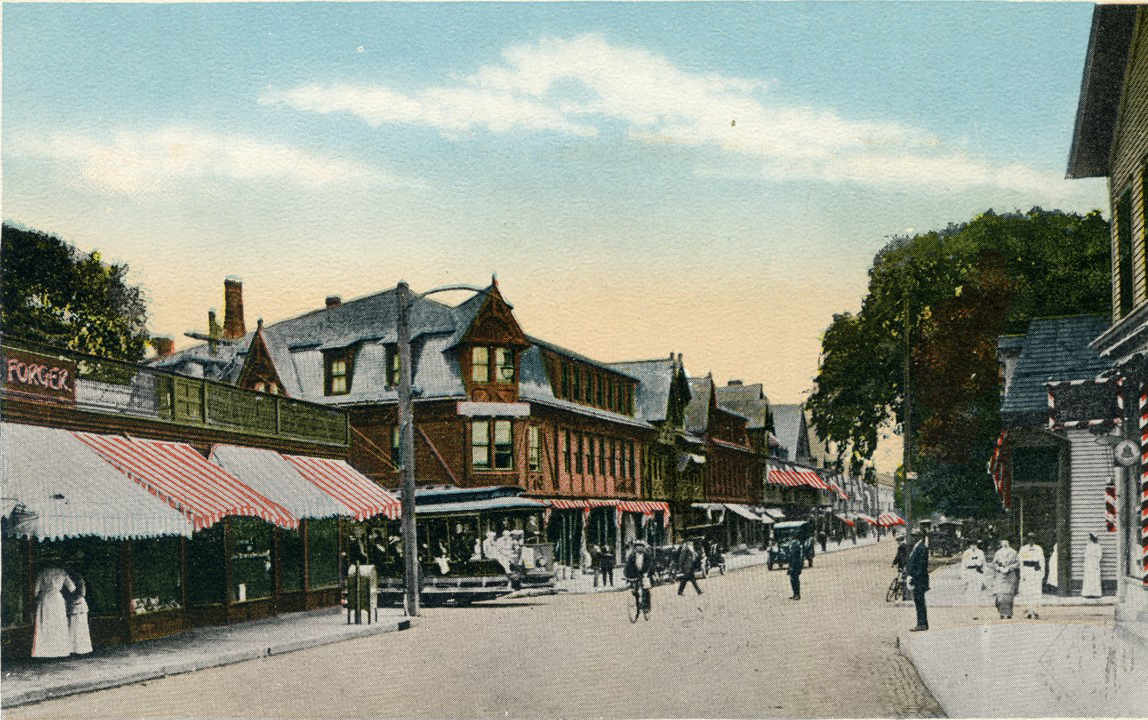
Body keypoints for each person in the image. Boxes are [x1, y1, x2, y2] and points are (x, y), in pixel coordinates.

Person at [31, 564, 75, 658]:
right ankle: (60, 650)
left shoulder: (43, 573)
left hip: (45, 599)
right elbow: (72, 588)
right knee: (58, 623)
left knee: (46, 623)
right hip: (57, 599)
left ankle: (46, 651)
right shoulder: (62, 572)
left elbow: (35, 591)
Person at [66, 555, 92, 656]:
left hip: (78, 604)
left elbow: (82, 593)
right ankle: (74, 648)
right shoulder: (71, 578)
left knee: (79, 627)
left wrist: (72, 599)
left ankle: (80, 649)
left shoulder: (78, 578)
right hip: (73, 604)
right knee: (73, 627)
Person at [905, 528, 930, 631]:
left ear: (919, 536)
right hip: (917, 579)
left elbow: (921, 566)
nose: (913, 538)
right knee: (918, 601)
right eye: (912, 535)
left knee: (920, 601)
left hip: (919, 579)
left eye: (915, 536)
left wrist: (914, 577)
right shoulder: (917, 547)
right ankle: (922, 623)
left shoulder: (922, 548)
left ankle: (922, 623)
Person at [1017, 533, 1045, 619]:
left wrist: (1042, 573)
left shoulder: (1038, 548)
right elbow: (1021, 563)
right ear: (1027, 540)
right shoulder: (1023, 549)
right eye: (1029, 539)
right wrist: (1022, 575)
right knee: (1027, 592)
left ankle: (1036, 611)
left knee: (1036, 592)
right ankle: (1029, 611)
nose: (1031, 541)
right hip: (1027, 571)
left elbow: (1042, 561)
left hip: (1036, 571)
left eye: (1032, 539)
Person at [623, 540, 655, 612]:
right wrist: (626, 575)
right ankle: (637, 602)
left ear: (643, 548)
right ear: (635, 548)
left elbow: (650, 565)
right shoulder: (632, 556)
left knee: (645, 590)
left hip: (645, 573)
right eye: (638, 547)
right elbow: (627, 566)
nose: (639, 548)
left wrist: (647, 573)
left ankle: (647, 606)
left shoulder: (647, 555)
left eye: (641, 547)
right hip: (636, 574)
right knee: (635, 588)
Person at [992, 538, 1020, 619]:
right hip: (1001, 575)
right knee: (1001, 594)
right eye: (1003, 543)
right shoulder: (998, 552)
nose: (1004, 544)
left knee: (1009, 594)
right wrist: (998, 568)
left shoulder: (1013, 552)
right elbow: (994, 563)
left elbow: (1018, 563)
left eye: (1006, 542)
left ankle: (1009, 613)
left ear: (1008, 543)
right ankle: (1001, 612)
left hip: (1010, 574)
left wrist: (1010, 568)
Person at [960, 539, 986, 604]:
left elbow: (983, 563)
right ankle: (969, 605)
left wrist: (983, 573)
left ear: (976, 545)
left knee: (977, 588)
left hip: (977, 571)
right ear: (969, 545)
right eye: (971, 545)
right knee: (969, 589)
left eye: (974, 545)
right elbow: (963, 564)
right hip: (969, 571)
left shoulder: (980, 552)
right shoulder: (966, 552)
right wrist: (963, 574)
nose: (973, 546)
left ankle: (977, 603)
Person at [1082, 532, 1103, 599]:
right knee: (1088, 577)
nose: (1088, 539)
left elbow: (1100, 555)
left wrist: (1096, 560)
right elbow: (1085, 555)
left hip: (1095, 562)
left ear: (1091, 538)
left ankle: (1096, 593)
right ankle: (1088, 593)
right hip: (1088, 563)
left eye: (1089, 538)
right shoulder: (1088, 546)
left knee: (1095, 577)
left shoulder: (1098, 546)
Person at [787, 536, 804, 600]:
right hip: (793, 566)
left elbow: (795, 558)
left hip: (795, 566)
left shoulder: (795, 545)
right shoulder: (794, 545)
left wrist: (792, 567)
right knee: (792, 580)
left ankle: (797, 595)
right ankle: (795, 594)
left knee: (795, 581)